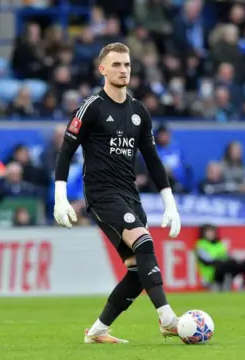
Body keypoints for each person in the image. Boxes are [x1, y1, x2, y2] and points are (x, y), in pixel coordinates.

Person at [53, 42, 182, 344]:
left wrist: (170, 204)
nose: (123, 70)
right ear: (102, 69)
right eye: (116, 65)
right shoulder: (92, 108)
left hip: (130, 196)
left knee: (138, 272)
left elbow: (153, 160)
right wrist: (60, 199)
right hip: (101, 195)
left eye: (126, 65)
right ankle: (167, 318)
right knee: (145, 242)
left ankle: (98, 331)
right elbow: (65, 152)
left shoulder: (139, 112)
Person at [195, 224, 245, 291]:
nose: (211, 234)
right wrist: (223, 260)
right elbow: (207, 261)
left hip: (225, 267)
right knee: (223, 263)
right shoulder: (201, 244)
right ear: (203, 233)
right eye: (208, 232)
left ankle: (242, 286)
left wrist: (234, 261)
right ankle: (216, 284)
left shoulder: (219, 244)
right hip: (212, 273)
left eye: (212, 232)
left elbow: (226, 256)